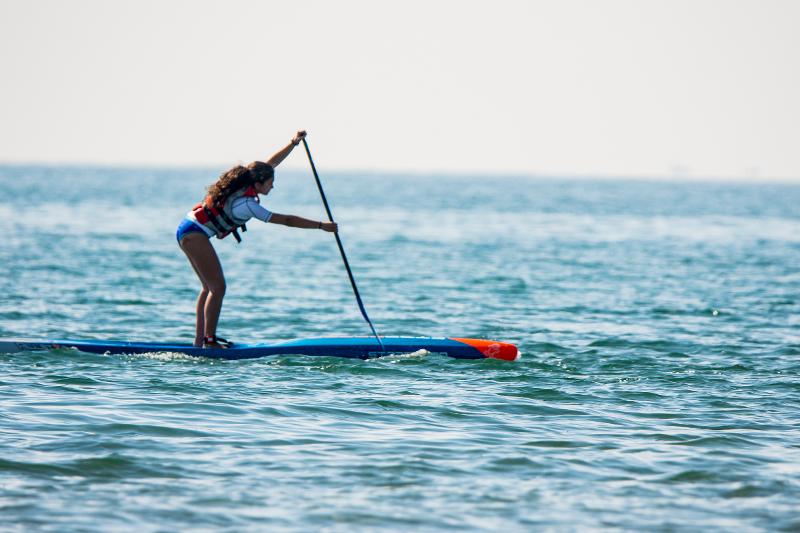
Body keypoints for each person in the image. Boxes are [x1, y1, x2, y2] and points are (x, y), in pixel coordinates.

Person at [176, 130, 337, 348]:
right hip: (194, 233)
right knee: (218, 288)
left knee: (209, 288)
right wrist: (320, 225)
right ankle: (209, 341)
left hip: (188, 229)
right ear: (260, 182)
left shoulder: (247, 183)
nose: (273, 185)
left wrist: (293, 143)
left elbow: (271, 163)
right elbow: (286, 220)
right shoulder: (248, 204)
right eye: (271, 182)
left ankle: (200, 343)